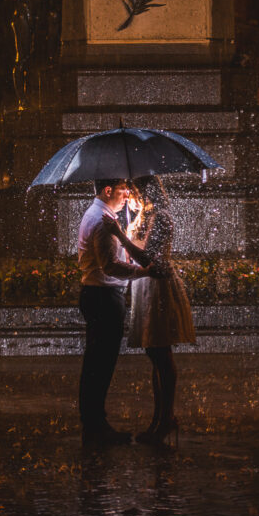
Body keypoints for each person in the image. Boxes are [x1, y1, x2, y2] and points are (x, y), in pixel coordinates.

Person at [103, 175, 195, 445]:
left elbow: (148, 258)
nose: (128, 195)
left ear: (144, 190)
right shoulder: (143, 215)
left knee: (161, 354)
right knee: (153, 352)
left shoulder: (162, 217)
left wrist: (120, 233)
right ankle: (159, 418)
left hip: (158, 288)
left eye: (132, 190)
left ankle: (166, 417)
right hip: (144, 286)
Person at [77, 177, 156, 446]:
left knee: (96, 363)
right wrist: (143, 271)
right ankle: (96, 426)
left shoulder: (102, 214)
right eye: (123, 189)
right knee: (100, 364)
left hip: (98, 294)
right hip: (103, 296)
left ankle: (94, 422)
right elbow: (110, 266)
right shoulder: (101, 221)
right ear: (108, 190)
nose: (127, 194)